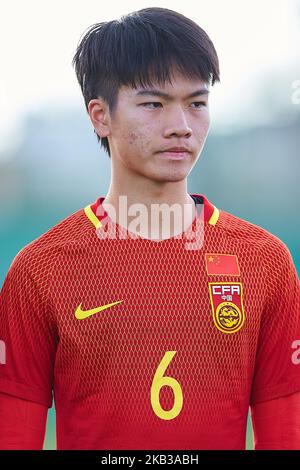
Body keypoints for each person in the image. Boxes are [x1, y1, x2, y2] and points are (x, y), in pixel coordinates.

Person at [0, 7, 299, 450]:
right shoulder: (40, 269)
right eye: (154, 104)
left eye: (197, 103)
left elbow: (286, 432)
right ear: (101, 116)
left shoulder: (265, 261)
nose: (181, 127)